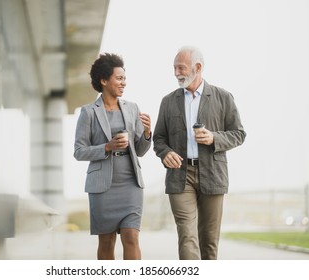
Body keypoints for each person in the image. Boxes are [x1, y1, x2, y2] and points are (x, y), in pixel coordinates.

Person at [153, 46, 246, 260]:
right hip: (179, 175)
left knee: (209, 241)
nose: (177, 73)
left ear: (198, 67)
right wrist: (164, 152)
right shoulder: (168, 101)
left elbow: (239, 134)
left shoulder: (223, 97)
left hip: (213, 174)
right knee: (187, 236)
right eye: (174, 68)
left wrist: (214, 138)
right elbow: (159, 138)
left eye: (181, 68)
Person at [74, 53, 152, 260]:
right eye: (119, 78)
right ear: (103, 80)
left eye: (124, 78)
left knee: (131, 238)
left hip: (131, 183)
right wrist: (106, 147)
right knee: (106, 241)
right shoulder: (88, 112)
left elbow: (141, 151)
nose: (123, 83)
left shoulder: (132, 108)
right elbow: (79, 151)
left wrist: (146, 133)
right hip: (102, 186)